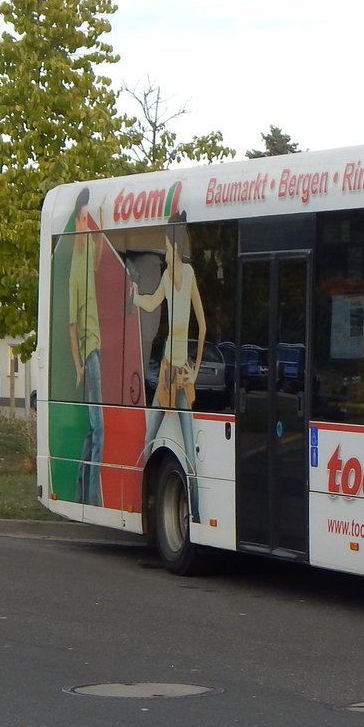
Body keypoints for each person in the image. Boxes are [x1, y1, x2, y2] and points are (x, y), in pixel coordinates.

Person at [134, 211, 206, 521]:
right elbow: (152, 303)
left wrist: (197, 370)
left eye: (166, 245)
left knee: (190, 452)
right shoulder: (166, 277)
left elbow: (202, 326)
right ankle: (136, 502)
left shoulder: (188, 275)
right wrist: (136, 297)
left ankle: (198, 514)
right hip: (166, 370)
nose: (165, 252)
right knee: (149, 439)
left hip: (181, 372)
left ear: (175, 246)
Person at [68, 187, 104, 506]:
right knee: (100, 427)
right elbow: (70, 326)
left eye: (88, 217)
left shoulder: (89, 250)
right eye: (84, 218)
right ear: (76, 223)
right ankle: (92, 499)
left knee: (93, 430)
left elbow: (100, 257)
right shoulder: (74, 270)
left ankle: (81, 491)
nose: (87, 222)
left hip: (97, 343)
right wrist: (78, 364)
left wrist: (102, 228)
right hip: (88, 349)